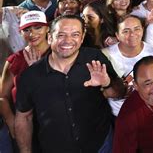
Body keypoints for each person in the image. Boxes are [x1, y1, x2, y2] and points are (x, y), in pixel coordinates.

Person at [14, 15, 126, 152]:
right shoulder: (31, 75)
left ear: (82, 38)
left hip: (100, 145)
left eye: (75, 34)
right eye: (61, 35)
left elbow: (119, 93)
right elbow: (24, 117)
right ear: (50, 37)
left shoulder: (95, 58)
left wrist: (107, 83)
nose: (68, 40)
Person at [102, 15, 153, 116]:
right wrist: (119, 90)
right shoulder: (105, 55)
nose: (132, 34)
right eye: (126, 31)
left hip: (151, 113)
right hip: (122, 115)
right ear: (117, 35)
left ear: (143, 30)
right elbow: (100, 93)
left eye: (137, 29)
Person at [0, 11, 49, 140]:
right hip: (24, 123)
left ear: (47, 28)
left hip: (53, 122)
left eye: (38, 27)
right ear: (20, 32)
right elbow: (2, 97)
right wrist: (12, 122)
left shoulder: (60, 55)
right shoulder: (15, 60)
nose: (32, 34)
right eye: (26, 30)